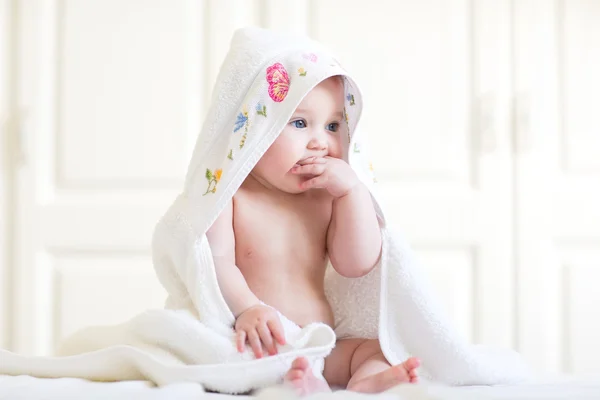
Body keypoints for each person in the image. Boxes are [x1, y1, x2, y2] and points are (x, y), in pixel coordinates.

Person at [205, 72, 420, 395]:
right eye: (301, 123)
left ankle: (360, 382)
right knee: (236, 356)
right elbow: (215, 262)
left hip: (319, 344)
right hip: (261, 340)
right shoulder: (231, 196)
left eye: (333, 126)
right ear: (256, 128)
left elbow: (356, 263)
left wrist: (352, 192)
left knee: (375, 349)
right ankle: (295, 381)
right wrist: (248, 308)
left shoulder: (326, 198)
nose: (320, 142)